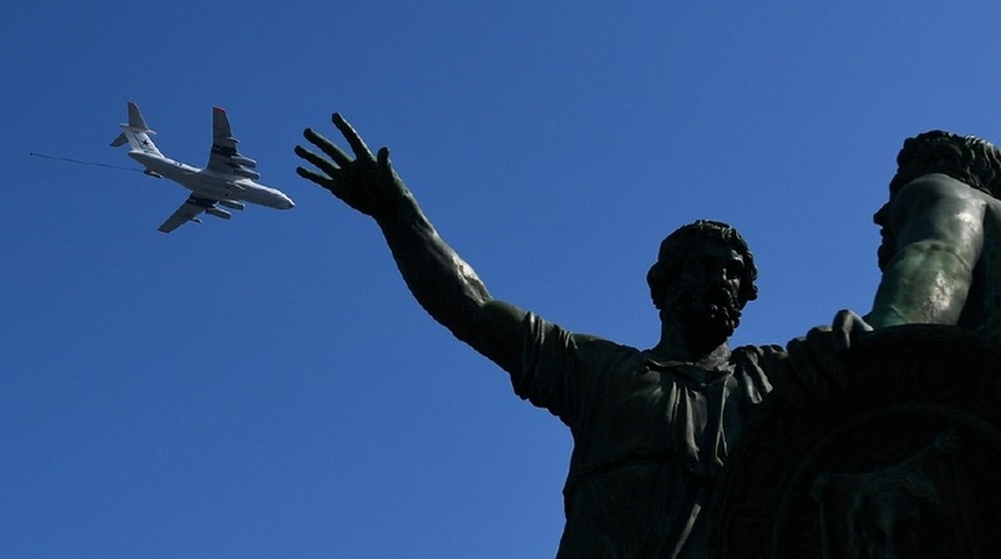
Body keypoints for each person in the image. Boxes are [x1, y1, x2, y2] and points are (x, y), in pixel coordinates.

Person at [296, 113, 795, 558]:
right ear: (662, 287)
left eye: (733, 273)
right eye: (703, 266)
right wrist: (397, 214)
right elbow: (472, 306)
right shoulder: (600, 372)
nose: (720, 281)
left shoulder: (776, 378)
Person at [866, 130, 1001, 331]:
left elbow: (937, 255)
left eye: (899, 190)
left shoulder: (945, 189)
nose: (880, 215)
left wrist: (887, 330)